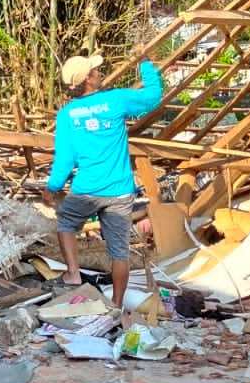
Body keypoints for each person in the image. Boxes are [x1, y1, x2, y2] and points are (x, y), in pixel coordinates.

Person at [43, 54, 164, 308]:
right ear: (88, 79)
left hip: (86, 190)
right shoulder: (115, 100)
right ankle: (116, 305)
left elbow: (65, 159)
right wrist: (146, 65)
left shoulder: (67, 115)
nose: (99, 72)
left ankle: (73, 273)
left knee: (66, 223)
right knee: (119, 251)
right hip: (119, 191)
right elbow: (153, 97)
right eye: (95, 71)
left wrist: (52, 187)